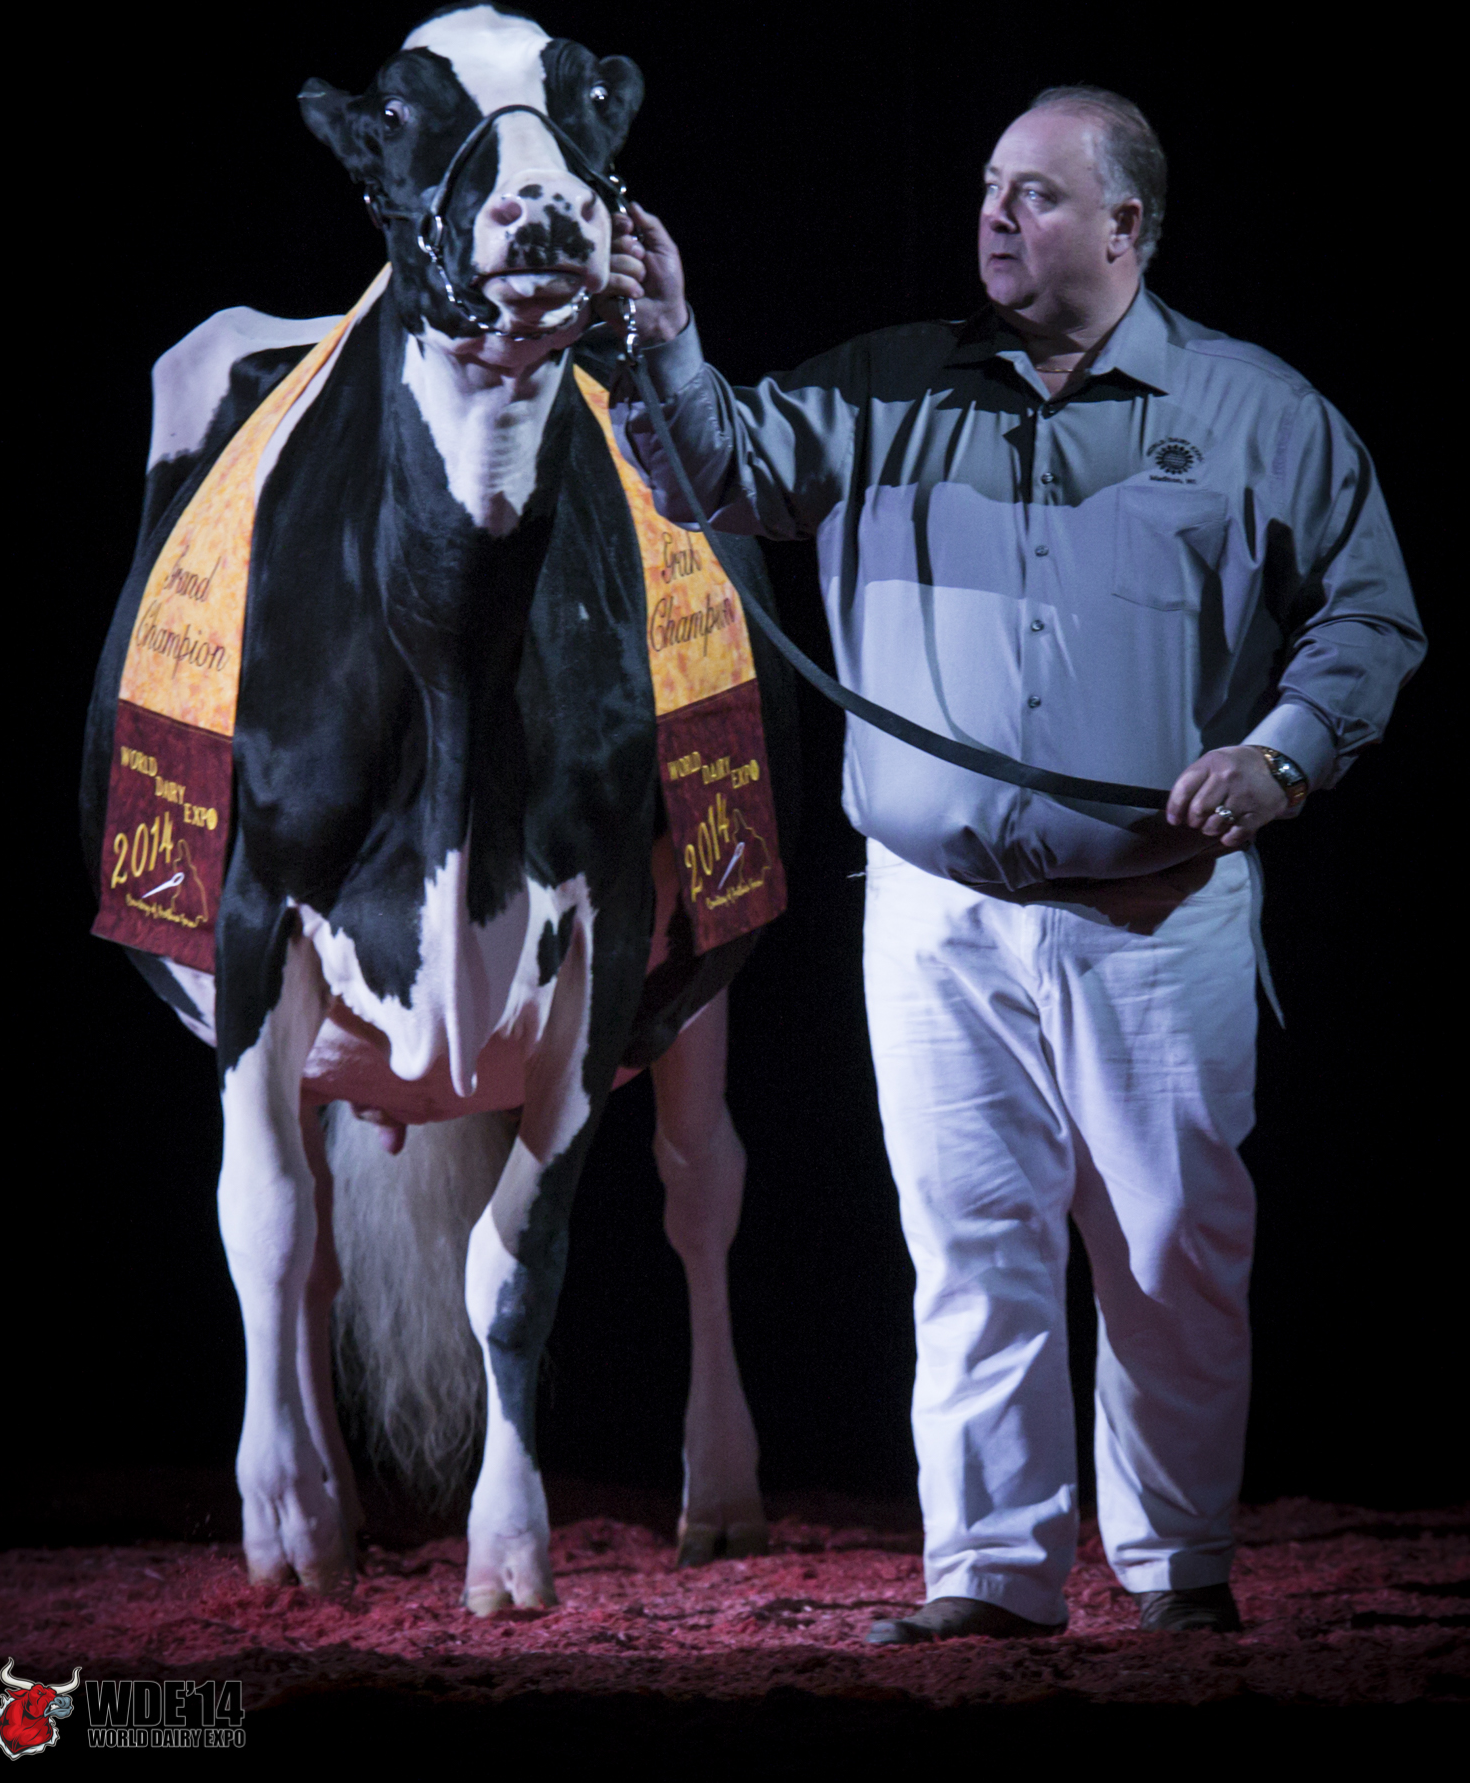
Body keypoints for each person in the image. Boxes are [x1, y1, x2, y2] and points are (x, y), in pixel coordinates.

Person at [601, 88, 1424, 1639]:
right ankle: (989, 1578)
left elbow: (1372, 612)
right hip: (936, 919)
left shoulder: (1258, 412)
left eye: (1035, 194)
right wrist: (668, 343)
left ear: (1126, 226)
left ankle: (1176, 1571)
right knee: (970, 1244)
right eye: (988, 186)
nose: (994, 214)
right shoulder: (885, 387)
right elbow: (712, 471)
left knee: (1172, 1250)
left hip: (1160, 914)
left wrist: (1284, 753)